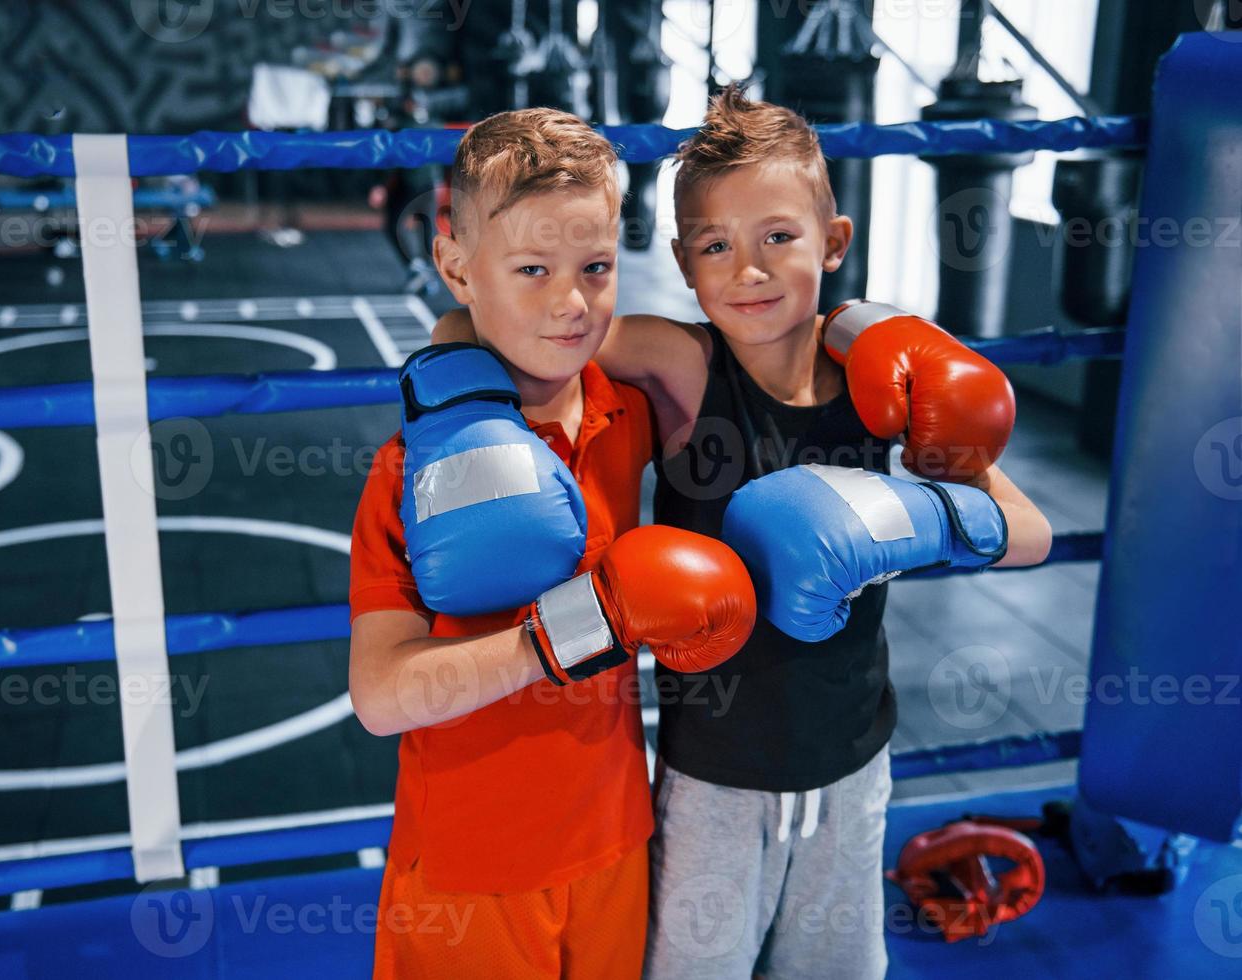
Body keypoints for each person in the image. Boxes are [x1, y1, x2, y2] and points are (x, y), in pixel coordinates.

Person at [432, 89, 1053, 978]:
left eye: (779, 239)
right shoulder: (679, 363)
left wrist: (918, 519)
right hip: (713, 777)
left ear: (833, 242)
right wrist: (455, 360)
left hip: (851, 769)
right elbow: (481, 328)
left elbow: (1027, 531)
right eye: (717, 247)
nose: (749, 272)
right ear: (684, 263)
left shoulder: (885, 381)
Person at [348, 107, 757, 979]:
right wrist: (579, 627)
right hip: (471, 870)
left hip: (613, 840)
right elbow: (380, 696)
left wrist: (862, 331)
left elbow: (755, 348)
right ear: (457, 266)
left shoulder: (628, 411)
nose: (571, 303)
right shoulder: (406, 476)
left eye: (596, 267)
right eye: (532, 268)